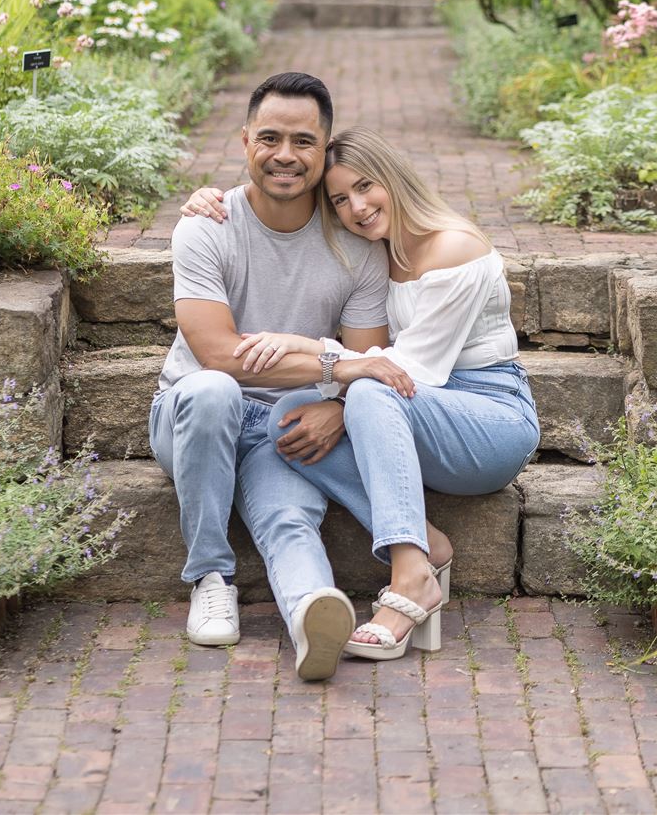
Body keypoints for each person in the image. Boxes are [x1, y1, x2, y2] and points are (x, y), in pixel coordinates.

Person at [181, 127, 540, 661]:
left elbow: (414, 370)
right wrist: (213, 199)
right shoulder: (380, 252)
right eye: (341, 200)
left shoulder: (455, 247)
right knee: (287, 415)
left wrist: (308, 350)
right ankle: (424, 540)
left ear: (395, 178)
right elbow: (278, 190)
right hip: (418, 410)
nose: (358, 208)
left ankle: (410, 573)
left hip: (490, 419)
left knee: (369, 392)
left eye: (367, 187)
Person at [151, 72, 415, 682]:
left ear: (324, 152)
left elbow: (367, 363)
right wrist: (337, 371)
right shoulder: (206, 226)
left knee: (289, 521)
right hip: (193, 416)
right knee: (216, 392)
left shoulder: (357, 250)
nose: (285, 156)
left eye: (304, 142)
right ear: (245, 141)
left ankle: (312, 619)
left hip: (288, 423)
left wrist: (340, 404)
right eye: (270, 138)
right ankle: (210, 577)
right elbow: (217, 354)